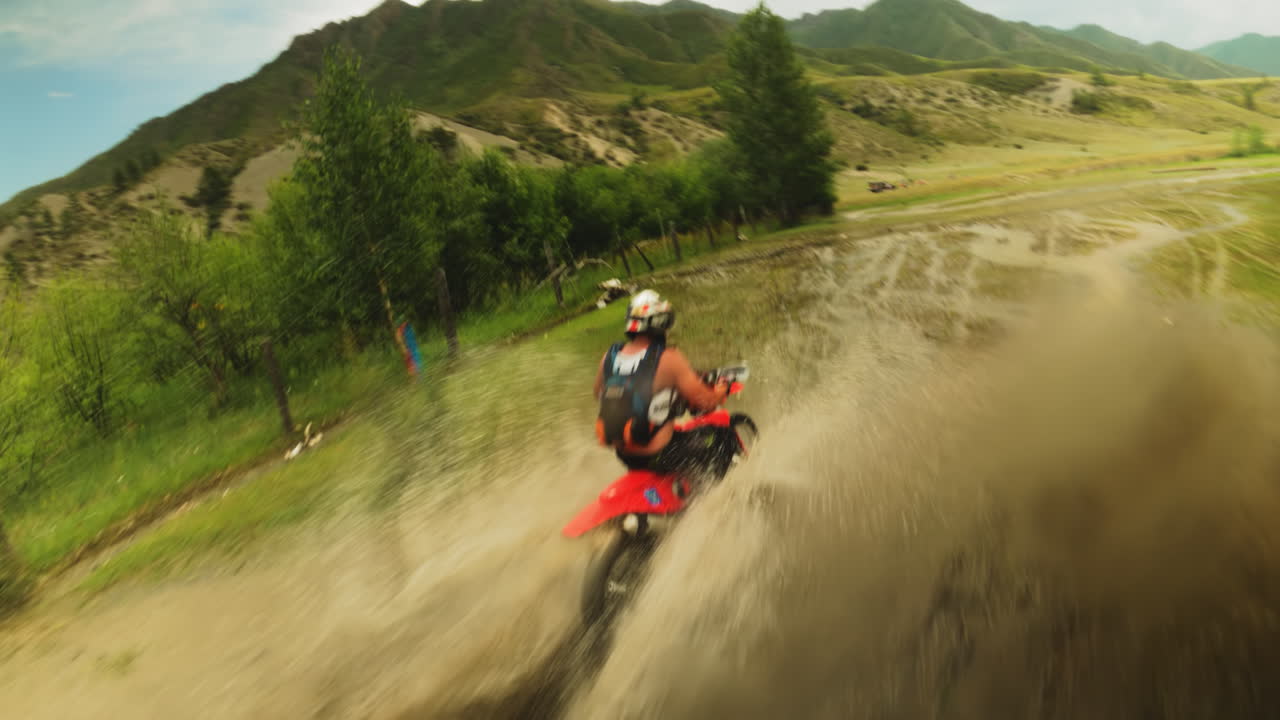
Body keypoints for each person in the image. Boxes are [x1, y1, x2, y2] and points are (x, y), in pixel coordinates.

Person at [594, 289, 733, 478]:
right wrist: (720, 391)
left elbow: (599, 395)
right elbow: (705, 402)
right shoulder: (669, 359)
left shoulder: (608, 357)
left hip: (625, 455)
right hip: (661, 454)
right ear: (659, 323)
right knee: (721, 442)